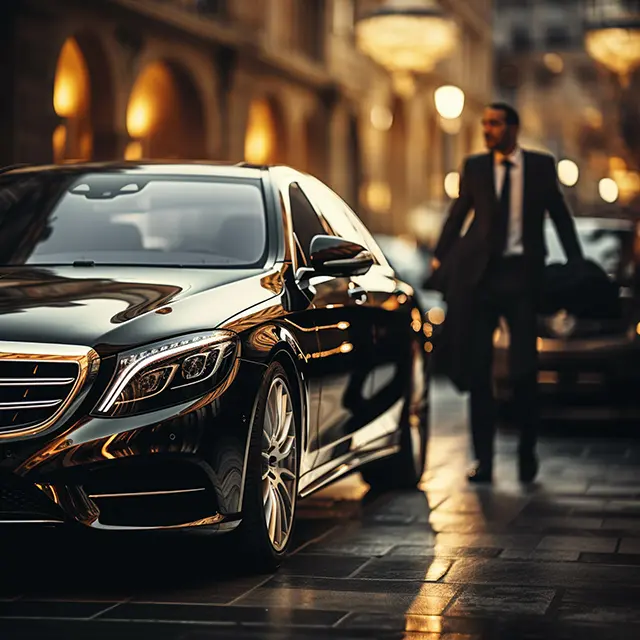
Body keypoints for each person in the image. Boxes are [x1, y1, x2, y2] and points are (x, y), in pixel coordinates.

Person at [430, 103, 583, 484]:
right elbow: (458, 212)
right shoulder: (476, 167)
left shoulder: (541, 167)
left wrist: (577, 262)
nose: (488, 130)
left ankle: (527, 451)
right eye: (485, 124)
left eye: (495, 124)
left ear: (513, 128)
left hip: (521, 279)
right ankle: (483, 459)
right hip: (481, 279)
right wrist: (439, 257)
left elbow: (561, 217)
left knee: (523, 370)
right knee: (479, 370)